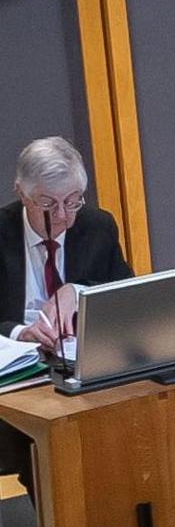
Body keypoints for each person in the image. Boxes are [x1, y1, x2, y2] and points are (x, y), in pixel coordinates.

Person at [13, 136, 128, 363]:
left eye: (71, 201)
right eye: (48, 204)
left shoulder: (97, 226)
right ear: (22, 195)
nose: (62, 216)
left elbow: (127, 295)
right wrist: (20, 333)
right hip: (19, 368)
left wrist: (77, 292)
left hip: (84, 360)